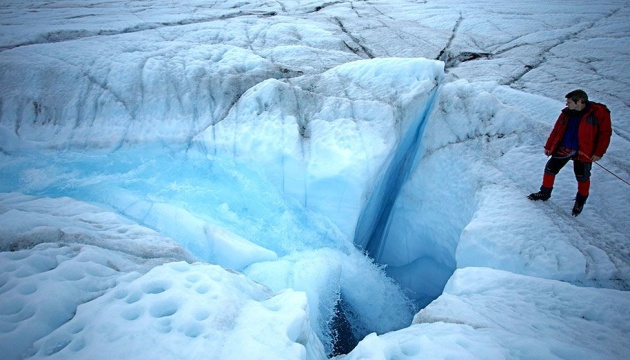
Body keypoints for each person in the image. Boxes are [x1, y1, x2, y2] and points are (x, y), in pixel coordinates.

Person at [528, 89, 612, 216]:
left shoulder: (599, 113)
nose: (566, 104)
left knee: (582, 177)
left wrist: (599, 152)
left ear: (579, 102)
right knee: (550, 169)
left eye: (569, 102)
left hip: (584, 152)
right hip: (564, 148)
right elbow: (557, 129)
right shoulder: (567, 113)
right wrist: (549, 145)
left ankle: (580, 202)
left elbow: (605, 134)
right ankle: (544, 193)